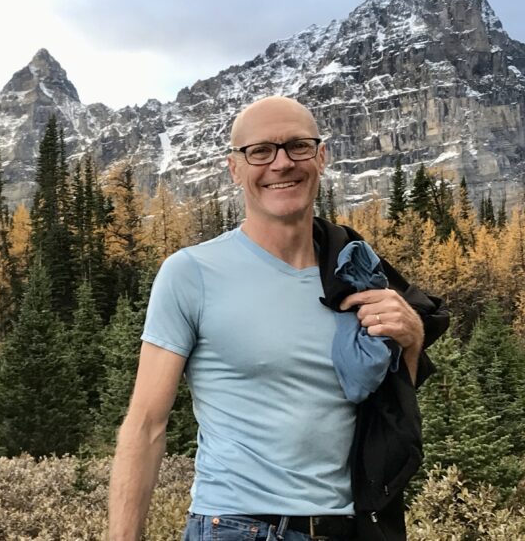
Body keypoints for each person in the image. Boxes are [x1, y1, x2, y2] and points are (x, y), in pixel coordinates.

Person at [108, 96, 447, 541]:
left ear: (321, 157)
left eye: (298, 147)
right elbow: (146, 425)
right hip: (237, 527)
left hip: (349, 527)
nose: (282, 163)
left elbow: (387, 406)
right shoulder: (191, 273)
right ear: (235, 168)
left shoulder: (357, 276)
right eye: (260, 151)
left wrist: (412, 339)